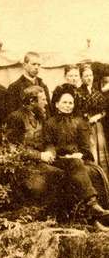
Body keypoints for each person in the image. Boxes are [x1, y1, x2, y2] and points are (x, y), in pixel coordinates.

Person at [43, 84, 109, 219]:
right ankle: (92, 202)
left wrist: (80, 154)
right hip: (59, 160)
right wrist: (53, 153)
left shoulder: (80, 122)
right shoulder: (50, 123)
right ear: (56, 104)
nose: (68, 105)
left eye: (71, 103)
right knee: (75, 164)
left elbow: (85, 148)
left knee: (95, 172)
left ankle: (97, 217)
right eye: (65, 102)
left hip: (78, 159)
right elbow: (48, 144)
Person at [5, 86, 61, 197]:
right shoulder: (16, 117)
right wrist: (40, 156)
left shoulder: (41, 116)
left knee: (73, 164)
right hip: (27, 164)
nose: (46, 103)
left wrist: (50, 152)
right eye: (43, 100)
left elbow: (49, 141)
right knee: (57, 174)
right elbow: (14, 148)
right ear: (32, 101)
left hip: (45, 160)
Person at [79, 63, 109, 176]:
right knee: (92, 151)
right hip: (86, 126)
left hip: (98, 126)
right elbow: (78, 111)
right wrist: (88, 118)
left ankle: (104, 176)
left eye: (90, 75)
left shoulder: (97, 92)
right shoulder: (78, 92)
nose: (89, 78)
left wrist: (98, 116)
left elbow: (104, 109)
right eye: (86, 76)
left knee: (101, 151)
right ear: (81, 78)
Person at [7, 52, 51, 116]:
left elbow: (48, 110)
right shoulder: (14, 87)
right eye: (33, 64)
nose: (36, 67)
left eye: (38, 65)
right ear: (24, 65)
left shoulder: (43, 85)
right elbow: (12, 114)